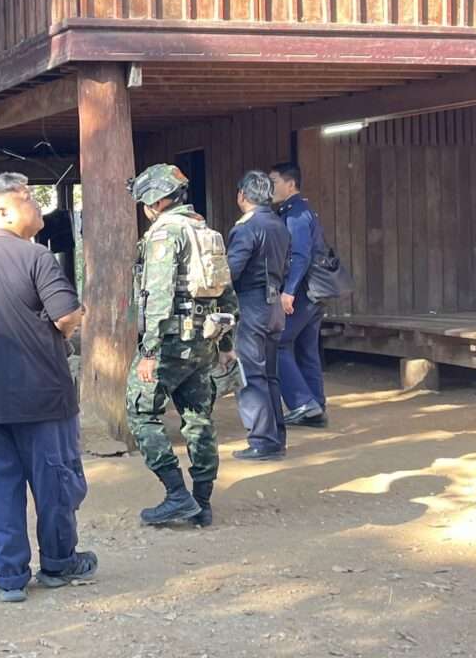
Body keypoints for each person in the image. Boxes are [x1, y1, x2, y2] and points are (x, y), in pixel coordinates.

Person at [0, 173, 96, 602]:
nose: (36, 205)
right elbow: (66, 315)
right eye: (27, 199)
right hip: (42, 394)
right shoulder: (36, 257)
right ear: (1, 211)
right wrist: (69, 326)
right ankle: (58, 561)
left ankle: (10, 575)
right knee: (55, 483)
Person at [125, 164, 237, 528]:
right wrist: (226, 343)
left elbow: (158, 296)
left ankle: (176, 495)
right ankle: (202, 503)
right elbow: (226, 294)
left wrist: (149, 351)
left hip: (171, 342)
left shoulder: (165, 233)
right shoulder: (206, 232)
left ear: (157, 201)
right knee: (199, 418)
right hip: (205, 340)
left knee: (141, 412)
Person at [226, 171, 291, 460]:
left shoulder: (247, 228)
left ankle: (262, 440)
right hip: (274, 304)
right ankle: (276, 437)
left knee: (250, 374)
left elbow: (232, 271)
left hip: (252, 304)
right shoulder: (279, 225)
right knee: (270, 375)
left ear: (242, 195)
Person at [270, 162, 329, 427]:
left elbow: (300, 255)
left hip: (302, 292)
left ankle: (303, 404)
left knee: (278, 343)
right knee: (307, 349)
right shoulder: (301, 210)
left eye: (274, 182)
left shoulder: (296, 214)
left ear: (290, 184)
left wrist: (289, 291)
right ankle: (316, 408)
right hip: (313, 291)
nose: (270, 187)